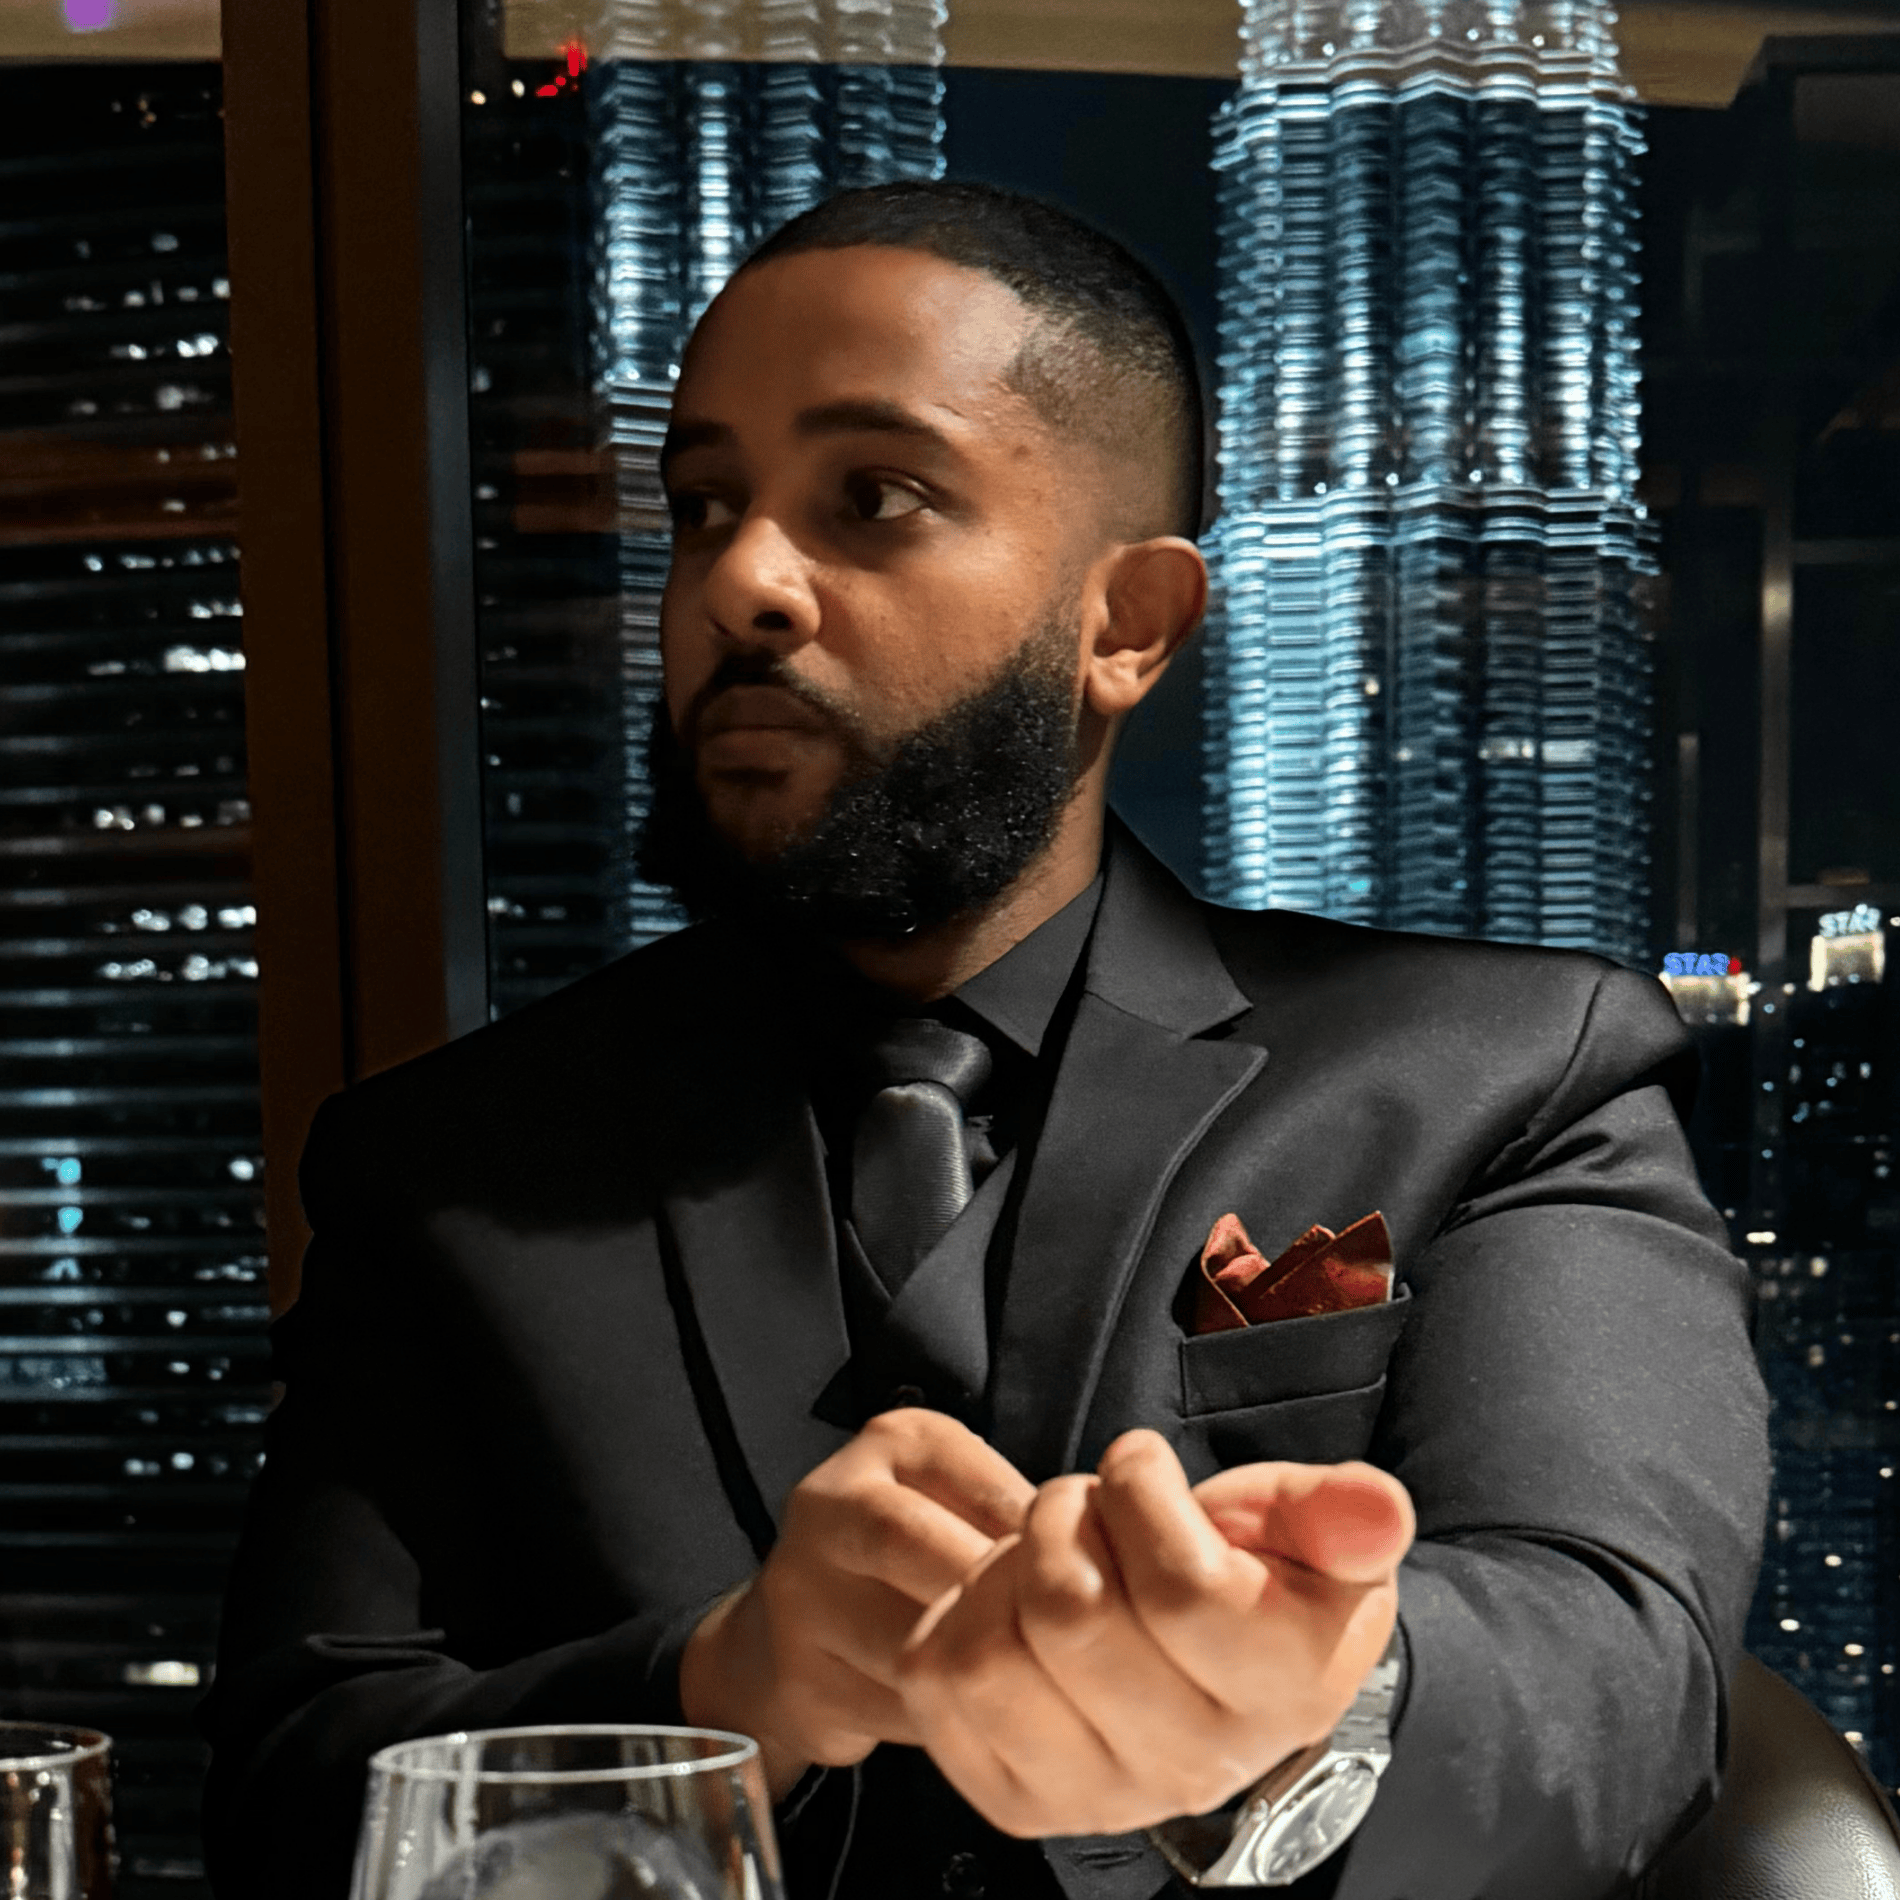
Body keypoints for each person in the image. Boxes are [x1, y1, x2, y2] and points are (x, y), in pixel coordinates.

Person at [200, 182, 1769, 1900]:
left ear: (1131, 624)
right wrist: (726, 1692)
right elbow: (291, 1791)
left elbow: (1620, 1678)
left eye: (873, 498)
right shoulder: (446, 1166)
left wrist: (1296, 1707)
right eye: (705, 505)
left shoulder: (1514, 1069)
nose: (744, 583)